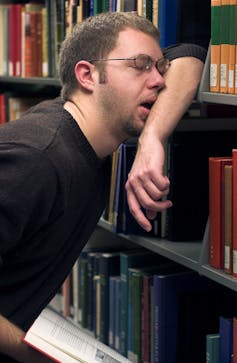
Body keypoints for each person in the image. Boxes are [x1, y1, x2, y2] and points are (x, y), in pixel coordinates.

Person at [0, 11, 206, 363]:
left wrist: (153, 138)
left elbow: (191, 54)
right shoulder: (38, 160)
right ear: (88, 74)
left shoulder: (86, 141)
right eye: (141, 65)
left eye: (160, 68)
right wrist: (33, 355)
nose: (159, 81)